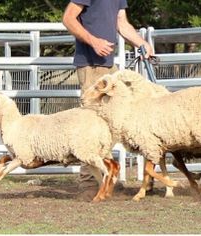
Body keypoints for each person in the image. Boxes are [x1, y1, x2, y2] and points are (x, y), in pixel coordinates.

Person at [62, 0, 154, 196]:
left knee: (111, 124)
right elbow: (68, 18)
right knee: (91, 123)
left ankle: (105, 178)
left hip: (107, 65)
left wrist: (141, 43)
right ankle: (88, 183)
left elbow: (122, 23)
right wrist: (94, 41)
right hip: (90, 64)